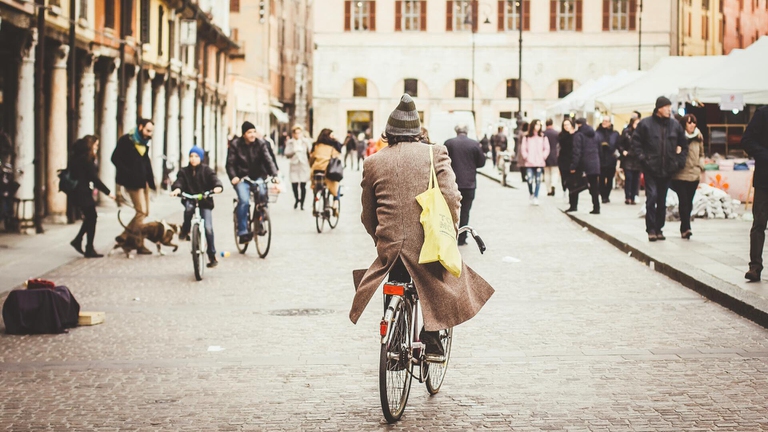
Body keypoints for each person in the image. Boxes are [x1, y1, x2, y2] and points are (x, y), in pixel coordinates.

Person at [351, 94, 495, 360]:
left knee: (396, 279)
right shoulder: (435, 152)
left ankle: (394, 345)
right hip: (426, 242)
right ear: (417, 131)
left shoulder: (373, 162)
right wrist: (450, 230)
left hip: (391, 244)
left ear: (388, 132)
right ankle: (432, 340)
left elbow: (367, 213)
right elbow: (451, 197)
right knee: (444, 280)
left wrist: (380, 239)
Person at [631, 96, 688, 242]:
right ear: (658, 108)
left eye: (670, 107)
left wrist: (678, 162)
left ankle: (659, 229)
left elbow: (684, 144)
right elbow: (635, 142)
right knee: (652, 198)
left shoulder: (675, 125)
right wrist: (643, 158)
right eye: (666, 107)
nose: (669, 110)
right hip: (650, 168)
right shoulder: (645, 124)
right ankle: (651, 229)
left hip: (668, 169)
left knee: (662, 200)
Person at [227, 121, 280, 244]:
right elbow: (230, 163)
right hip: (242, 178)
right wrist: (233, 176)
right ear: (244, 134)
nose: (252, 135)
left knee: (262, 194)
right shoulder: (236, 145)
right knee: (244, 201)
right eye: (249, 132)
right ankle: (243, 231)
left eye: (254, 132)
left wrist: (274, 175)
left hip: (258, 176)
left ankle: (260, 221)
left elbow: (268, 160)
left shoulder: (260, 144)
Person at [171, 146, 224, 267]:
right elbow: (179, 181)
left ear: (201, 158)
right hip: (190, 198)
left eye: (196, 156)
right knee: (188, 209)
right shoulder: (184, 171)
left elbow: (214, 179)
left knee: (208, 228)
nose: (193, 159)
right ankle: (185, 230)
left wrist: (217, 187)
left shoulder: (207, 170)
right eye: (191, 156)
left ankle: (212, 255)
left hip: (205, 201)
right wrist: (177, 189)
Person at [112, 118, 156, 254]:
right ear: (140, 127)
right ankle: (137, 242)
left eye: (152, 131)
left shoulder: (143, 143)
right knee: (141, 212)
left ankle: (125, 236)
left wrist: (152, 181)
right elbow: (115, 158)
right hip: (132, 183)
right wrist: (128, 174)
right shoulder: (127, 140)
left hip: (143, 182)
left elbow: (146, 163)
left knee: (144, 212)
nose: (150, 134)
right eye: (148, 130)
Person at [69, 136, 116, 258]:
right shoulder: (86, 159)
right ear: (90, 145)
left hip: (78, 192)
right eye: (96, 145)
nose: (97, 147)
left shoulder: (76, 157)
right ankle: (88, 247)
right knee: (92, 217)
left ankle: (80, 241)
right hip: (83, 192)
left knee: (90, 218)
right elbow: (94, 179)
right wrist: (108, 192)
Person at [444, 123, 486, 244]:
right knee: (465, 211)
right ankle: (462, 238)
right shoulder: (474, 144)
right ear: (467, 131)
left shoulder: (449, 143)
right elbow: (481, 162)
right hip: (469, 183)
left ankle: (450, 236)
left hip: (452, 182)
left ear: (456, 131)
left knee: (450, 210)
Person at [741, 106, 768, 281]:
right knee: (759, 223)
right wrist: (764, 155)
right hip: (765, 179)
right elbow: (747, 140)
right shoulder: (763, 114)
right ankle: (755, 266)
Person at [671, 114, 704, 240]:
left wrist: (700, 165)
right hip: (680, 174)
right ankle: (686, 228)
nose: (692, 125)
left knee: (689, 202)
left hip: (694, 174)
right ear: (684, 124)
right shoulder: (678, 136)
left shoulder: (699, 136)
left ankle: (685, 226)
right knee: (683, 201)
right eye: (689, 123)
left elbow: (702, 153)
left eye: (694, 123)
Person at [569, 118, 601, 214]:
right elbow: (599, 149)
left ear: (578, 125)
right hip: (595, 163)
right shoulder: (595, 134)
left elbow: (577, 152)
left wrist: (573, 166)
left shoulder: (578, 135)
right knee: (594, 186)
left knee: (575, 185)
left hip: (583, 164)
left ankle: (573, 205)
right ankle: (596, 207)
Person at [310, 128, 343, 216]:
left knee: (316, 187)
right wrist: (336, 140)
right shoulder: (333, 146)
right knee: (337, 184)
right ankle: (335, 202)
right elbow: (338, 155)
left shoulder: (316, 145)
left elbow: (311, 158)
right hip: (329, 172)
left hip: (317, 171)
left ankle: (315, 204)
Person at [520, 119, 550, 206]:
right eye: (536, 125)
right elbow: (523, 149)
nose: (538, 127)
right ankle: (531, 193)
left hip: (539, 163)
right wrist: (527, 157)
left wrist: (543, 156)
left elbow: (546, 148)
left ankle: (536, 196)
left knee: (538, 180)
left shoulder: (543, 137)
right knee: (529, 179)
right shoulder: (527, 137)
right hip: (529, 162)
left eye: (539, 125)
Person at [284, 125, 312, 210]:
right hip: (294, 165)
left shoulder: (305, 142)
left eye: (299, 133)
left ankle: (302, 203)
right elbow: (286, 154)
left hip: (303, 165)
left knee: (303, 185)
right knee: (294, 184)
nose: (298, 135)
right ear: (293, 134)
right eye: (296, 133)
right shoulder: (290, 142)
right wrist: (294, 151)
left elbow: (310, 153)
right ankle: (297, 199)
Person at [618, 111, 642, 205]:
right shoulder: (626, 132)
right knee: (629, 178)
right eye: (636, 123)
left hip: (637, 159)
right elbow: (620, 143)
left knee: (636, 179)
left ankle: (633, 196)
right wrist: (623, 151)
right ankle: (627, 196)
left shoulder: (641, 134)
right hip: (628, 158)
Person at [595, 115, 620, 203]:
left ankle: (607, 195)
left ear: (610, 123)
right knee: (601, 178)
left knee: (610, 178)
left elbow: (618, 145)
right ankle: (603, 196)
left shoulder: (615, 133)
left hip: (611, 159)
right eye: (603, 121)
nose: (604, 123)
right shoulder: (597, 133)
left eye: (606, 121)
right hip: (600, 159)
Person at [558, 118, 575, 201]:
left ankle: (571, 193)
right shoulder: (561, 135)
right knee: (564, 177)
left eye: (568, 124)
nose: (566, 126)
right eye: (565, 125)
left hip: (572, 159)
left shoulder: (575, 135)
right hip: (563, 159)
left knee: (571, 178)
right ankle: (565, 189)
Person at [543, 119, 559, 196]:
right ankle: (553, 185)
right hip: (554, 154)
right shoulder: (556, 133)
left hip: (545, 155)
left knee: (547, 173)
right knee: (555, 172)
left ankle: (548, 189)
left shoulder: (543, 133)